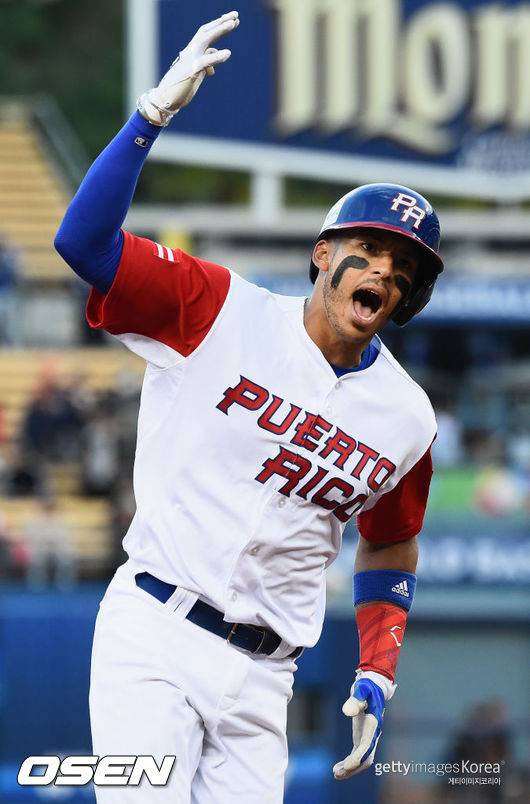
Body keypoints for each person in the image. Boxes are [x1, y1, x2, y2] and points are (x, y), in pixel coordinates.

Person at [54, 11, 442, 803]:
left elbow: (391, 543)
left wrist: (377, 667)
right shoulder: (219, 307)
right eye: (366, 249)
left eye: (402, 268)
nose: (382, 271)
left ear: (407, 298)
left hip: (266, 679)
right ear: (323, 253)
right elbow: (84, 245)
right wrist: (149, 116)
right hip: (155, 629)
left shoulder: (407, 418)